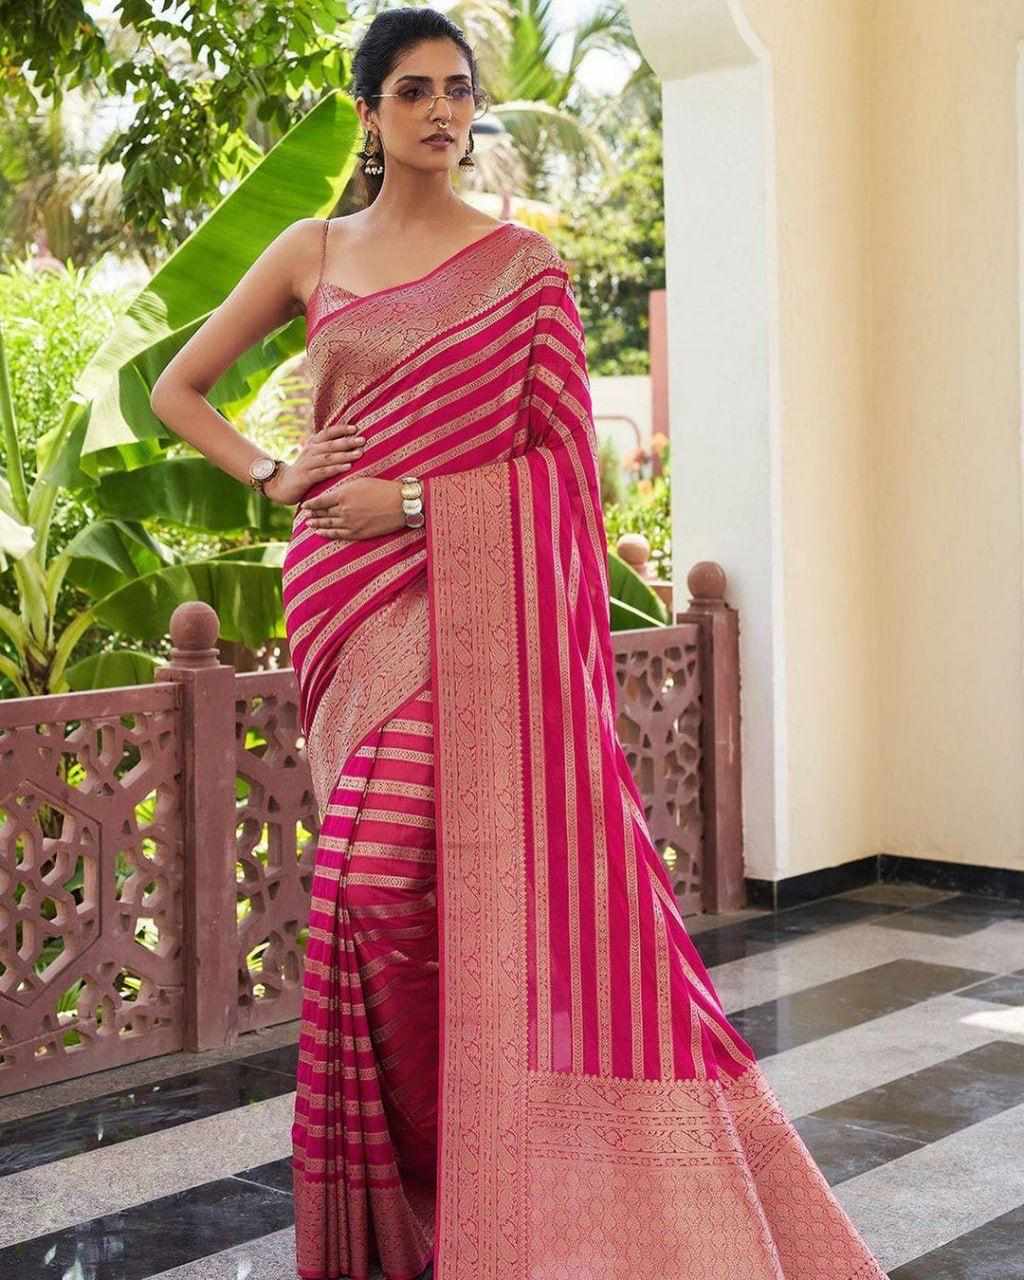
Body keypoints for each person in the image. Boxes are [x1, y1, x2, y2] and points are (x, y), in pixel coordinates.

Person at [150, 8, 891, 1280]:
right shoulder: (310, 248)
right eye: (413, 90)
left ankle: (491, 1170)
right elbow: (179, 385)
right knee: (367, 895)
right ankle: (426, 1195)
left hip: (465, 607)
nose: (441, 109)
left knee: (390, 884)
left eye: (457, 88)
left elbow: (560, 471)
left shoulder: (522, 270)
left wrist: (415, 501)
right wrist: (275, 472)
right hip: (344, 602)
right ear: (369, 112)